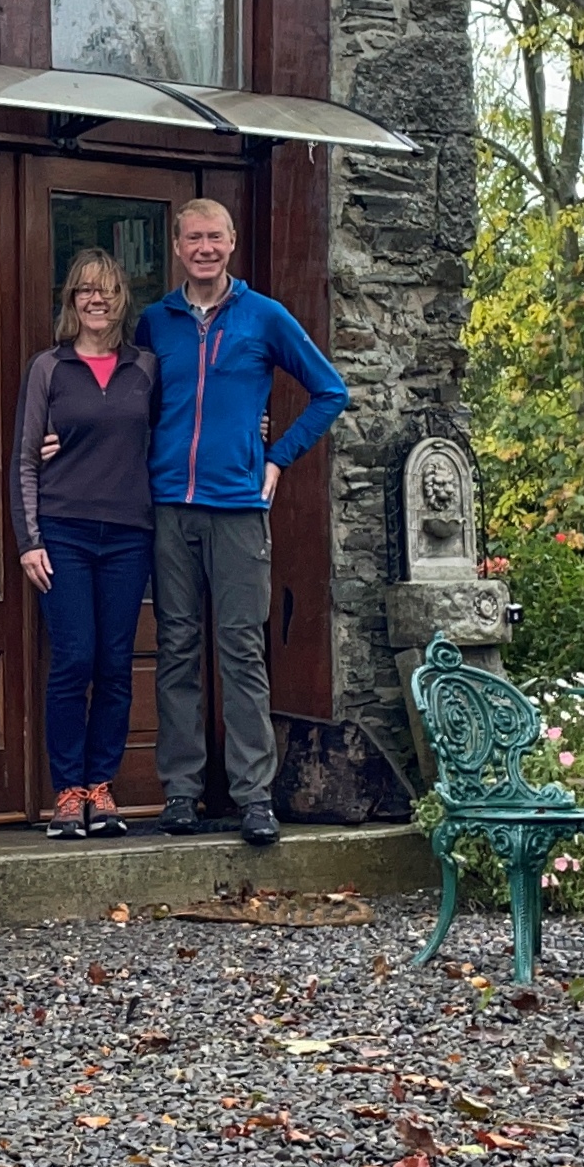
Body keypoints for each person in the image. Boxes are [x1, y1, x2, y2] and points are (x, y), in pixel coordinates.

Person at [137, 197, 349, 847]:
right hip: (170, 506)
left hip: (237, 509)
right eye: (193, 238)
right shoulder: (154, 323)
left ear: (231, 243)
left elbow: (331, 390)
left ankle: (254, 796)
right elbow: (129, 404)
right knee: (176, 649)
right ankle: (181, 791)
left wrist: (277, 457)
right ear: (178, 247)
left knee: (242, 653)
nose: (204, 248)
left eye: (215, 237)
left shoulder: (265, 317)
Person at [12, 249, 159, 840]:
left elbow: (178, 433)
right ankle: (68, 793)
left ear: (122, 299)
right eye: (84, 290)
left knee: (116, 665)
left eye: (107, 290)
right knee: (75, 660)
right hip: (64, 533)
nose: (96, 300)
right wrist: (29, 540)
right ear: (71, 300)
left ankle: (102, 785)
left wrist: (254, 431)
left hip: (129, 536)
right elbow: (25, 458)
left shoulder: (146, 368)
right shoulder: (49, 368)